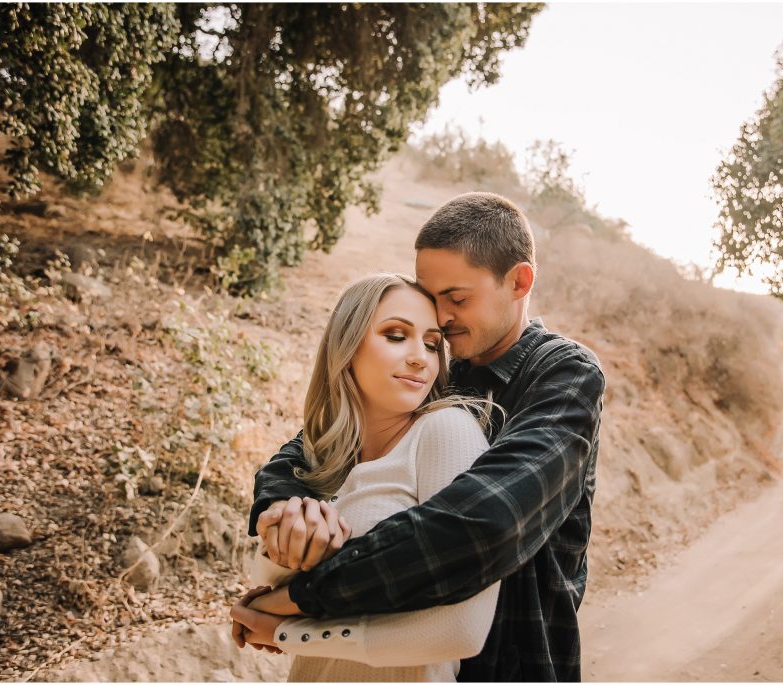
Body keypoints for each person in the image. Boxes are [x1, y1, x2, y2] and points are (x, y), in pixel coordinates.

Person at [244, 192, 606, 681]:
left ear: (519, 281)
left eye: (457, 298)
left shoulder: (562, 374)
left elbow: (482, 524)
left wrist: (303, 600)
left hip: (514, 659)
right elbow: (312, 445)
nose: (441, 317)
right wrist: (285, 505)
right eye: (433, 298)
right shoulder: (437, 369)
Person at [230, 272, 501, 681]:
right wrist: (280, 529)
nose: (420, 358)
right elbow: (265, 590)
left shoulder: (446, 431)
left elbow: (460, 630)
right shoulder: (324, 458)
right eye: (396, 336)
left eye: (431, 344)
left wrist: (291, 632)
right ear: (347, 344)